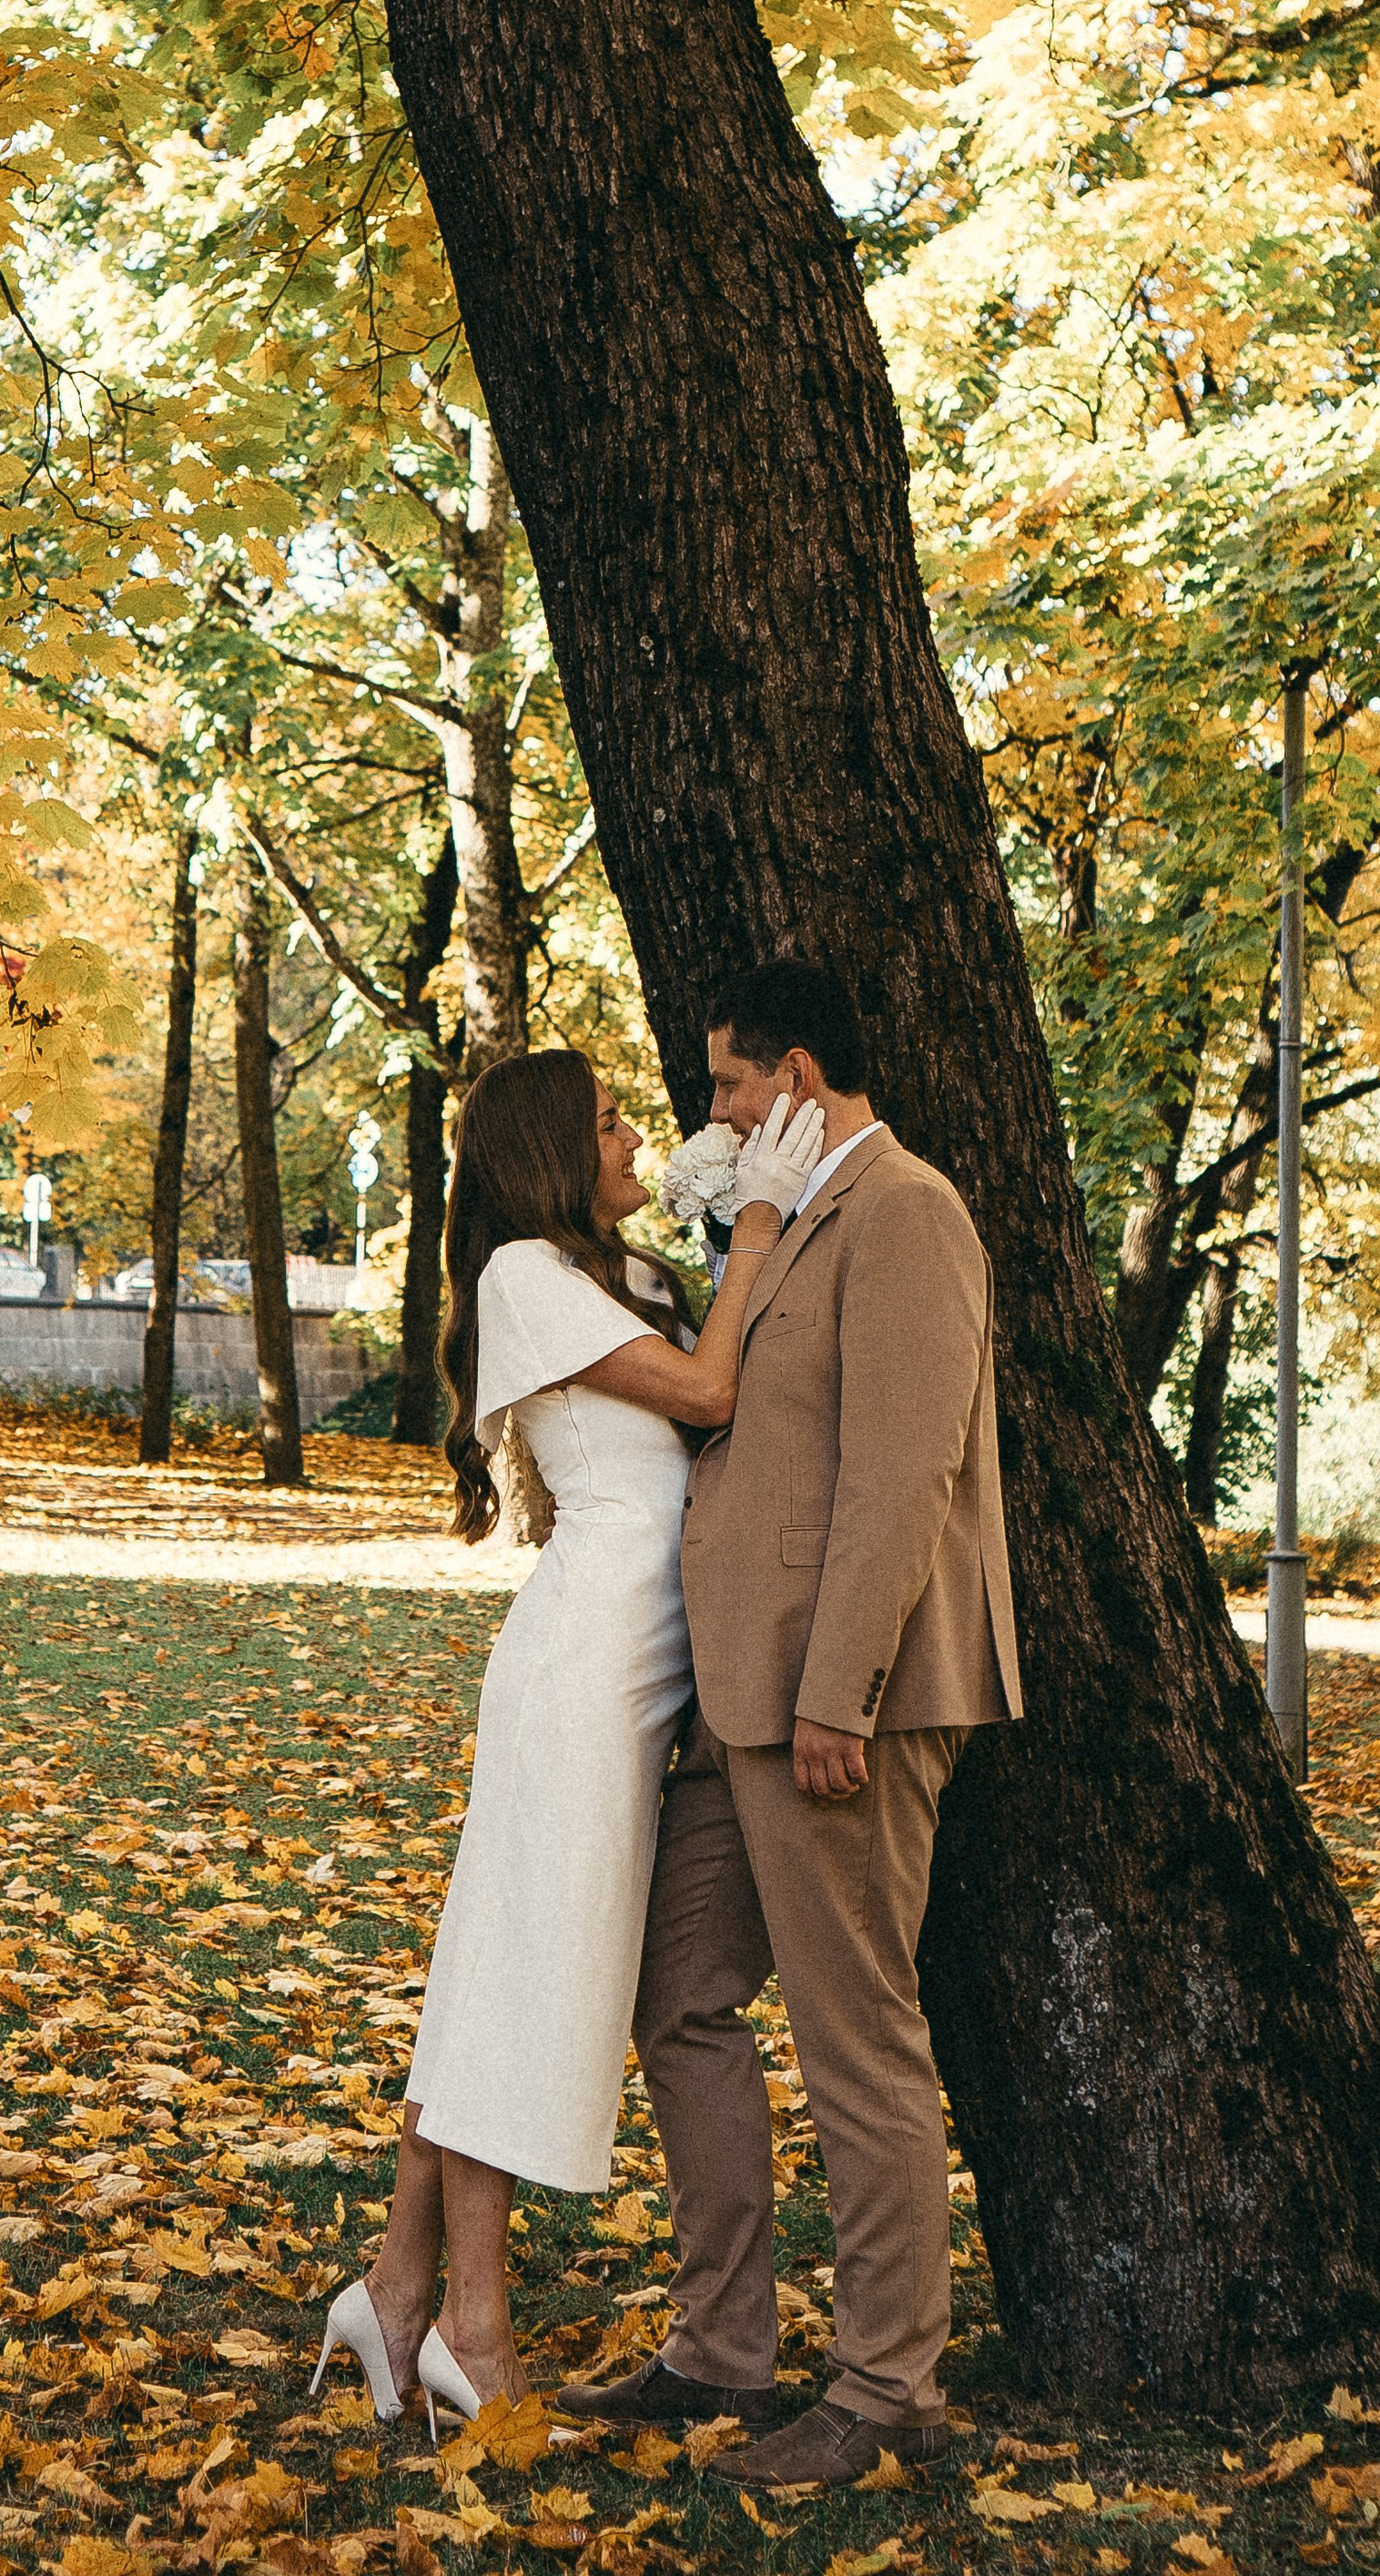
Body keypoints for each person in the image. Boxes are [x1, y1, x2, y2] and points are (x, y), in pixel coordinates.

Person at [308, 1048, 824, 2439]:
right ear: (546, 1149)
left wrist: (730, 1229)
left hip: (647, 1666)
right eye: (604, 1122)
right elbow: (710, 1396)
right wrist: (762, 1217)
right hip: (585, 1668)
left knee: (501, 1966)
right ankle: (466, 2324)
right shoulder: (522, 1275)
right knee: (527, 1979)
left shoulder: (600, 1273)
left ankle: (399, 2292)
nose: (630, 1136)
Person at [559, 958, 1020, 2486]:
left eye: (727, 1089)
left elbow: (907, 1475)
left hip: (844, 1706)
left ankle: (887, 2392)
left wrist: (841, 1692)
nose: (714, 1115)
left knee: (855, 2039)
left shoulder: (909, 1214)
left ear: (799, 1080)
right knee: (679, 1991)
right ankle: (721, 2357)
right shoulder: (797, 1221)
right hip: (741, 1703)